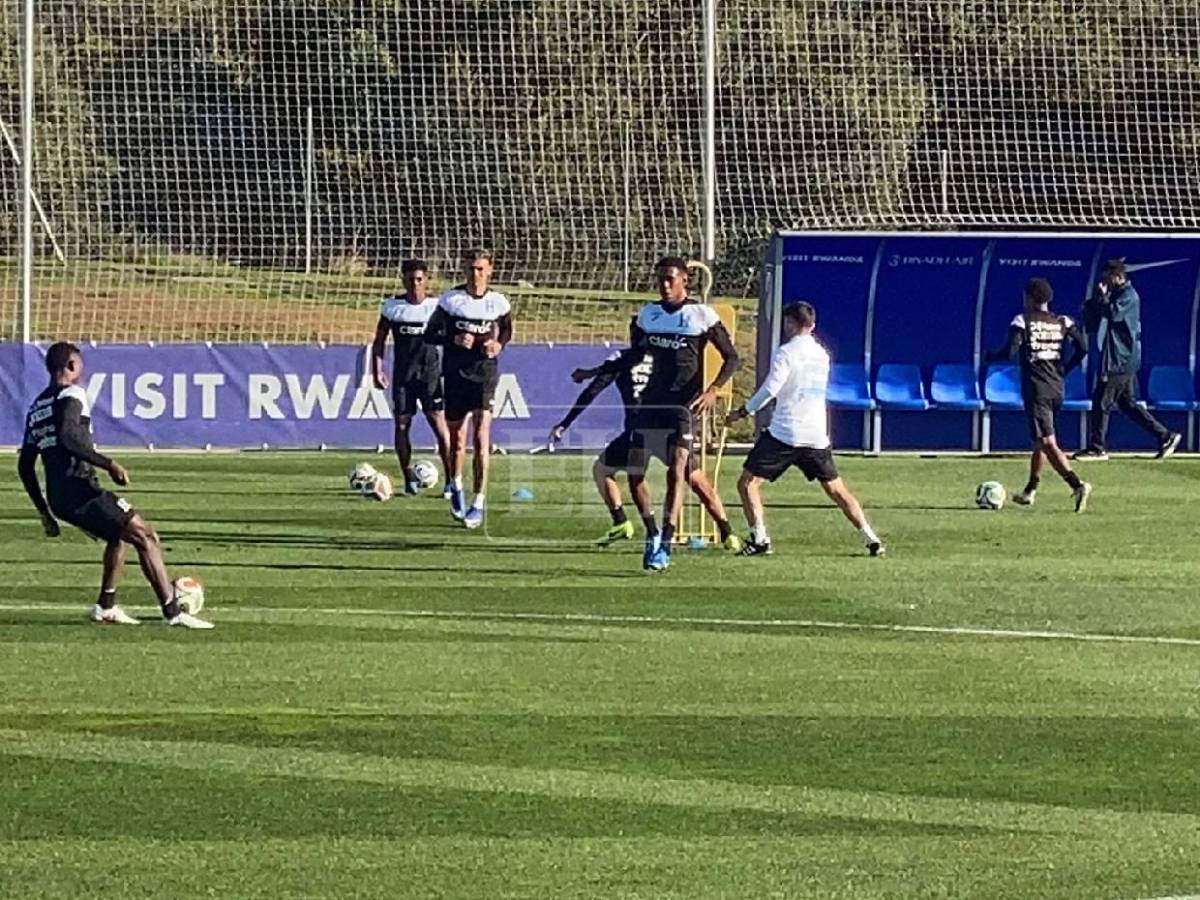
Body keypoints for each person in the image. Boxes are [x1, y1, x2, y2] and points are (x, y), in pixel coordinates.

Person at [17, 342, 213, 628]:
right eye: (80, 364)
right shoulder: (73, 394)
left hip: (61, 496)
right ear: (71, 366)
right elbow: (68, 438)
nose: (82, 370)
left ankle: (106, 606)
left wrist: (45, 511)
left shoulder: (37, 407)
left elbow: (25, 465)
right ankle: (173, 611)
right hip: (80, 490)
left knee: (118, 537)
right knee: (145, 535)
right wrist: (109, 464)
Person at [571, 256, 738, 571]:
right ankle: (651, 531)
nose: (664, 285)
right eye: (660, 279)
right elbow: (634, 355)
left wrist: (713, 389)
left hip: (682, 407)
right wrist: (594, 371)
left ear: (685, 280)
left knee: (678, 471)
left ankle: (666, 543)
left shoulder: (700, 315)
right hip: (649, 405)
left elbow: (731, 358)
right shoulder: (647, 315)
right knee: (635, 474)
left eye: (670, 279)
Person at [550, 318, 741, 551]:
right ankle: (727, 532)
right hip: (669, 423)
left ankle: (636, 526)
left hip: (640, 426)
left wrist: (565, 422)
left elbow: (592, 391)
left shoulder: (624, 358)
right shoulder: (665, 356)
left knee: (612, 471)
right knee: (694, 478)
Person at [726, 302, 884, 557]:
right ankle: (870, 537)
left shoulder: (786, 352)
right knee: (836, 489)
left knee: (748, 483)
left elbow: (771, 388)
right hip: (816, 433)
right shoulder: (822, 354)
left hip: (786, 432)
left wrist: (744, 411)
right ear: (812, 326)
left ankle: (760, 538)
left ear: (790, 323)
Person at [423, 249, 512, 528]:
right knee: (457, 439)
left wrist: (498, 345)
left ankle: (479, 502)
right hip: (455, 373)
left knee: (482, 437)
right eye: (471, 269)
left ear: (490, 271)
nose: (476, 274)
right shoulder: (451, 300)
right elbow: (431, 333)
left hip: (484, 374)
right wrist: (454, 337)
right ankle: (456, 484)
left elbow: (507, 330)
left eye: (481, 269)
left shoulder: (498, 302)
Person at [986, 277, 1092, 510]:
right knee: (1039, 441)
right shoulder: (1062, 320)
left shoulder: (1023, 321)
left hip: (1036, 387)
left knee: (1046, 441)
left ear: (1029, 298)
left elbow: (1010, 351)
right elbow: (1083, 347)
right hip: (1056, 386)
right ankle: (1030, 490)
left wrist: (991, 356)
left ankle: (1076, 484)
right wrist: (1065, 367)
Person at [1074, 258, 1181, 460]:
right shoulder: (1114, 294)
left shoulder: (1128, 296)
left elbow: (1113, 314)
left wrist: (1101, 298)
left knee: (1101, 401)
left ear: (1118, 276)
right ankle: (1165, 435)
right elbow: (1096, 316)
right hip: (1120, 358)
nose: (1104, 283)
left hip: (1120, 359)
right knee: (1127, 404)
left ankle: (1097, 448)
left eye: (1107, 279)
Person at [371, 258, 452, 495]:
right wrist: (377, 369)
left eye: (419, 279)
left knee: (439, 425)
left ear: (426, 280)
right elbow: (379, 341)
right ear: (402, 280)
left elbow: (452, 338)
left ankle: (450, 480)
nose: (414, 284)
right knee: (402, 425)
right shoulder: (392, 307)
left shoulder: (438, 308)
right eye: (409, 279)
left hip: (430, 376)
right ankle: (408, 479)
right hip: (403, 377)